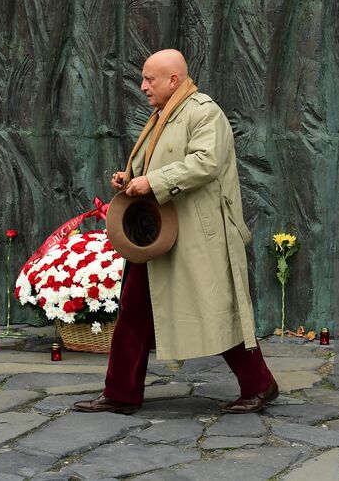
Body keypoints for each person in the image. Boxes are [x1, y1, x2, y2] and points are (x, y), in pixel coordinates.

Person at [74, 49, 279, 415]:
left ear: (173, 79)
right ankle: (120, 393)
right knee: (134, 310)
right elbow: (159, 161)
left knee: (219, 310)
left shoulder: (204, 112)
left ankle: (260, 385)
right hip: (164, 234)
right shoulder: (165, 114)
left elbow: (205, 163)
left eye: (149, 79)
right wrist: (130, 177)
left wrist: (150, 182)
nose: (143, 87)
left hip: (198, 238)